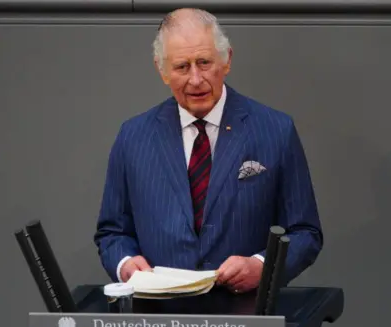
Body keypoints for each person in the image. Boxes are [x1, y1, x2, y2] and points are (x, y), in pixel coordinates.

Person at [94, 8, 323, 294]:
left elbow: (305, 233)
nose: (195, 79)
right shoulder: (133, 137)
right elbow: (112, 233)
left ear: (227, 60)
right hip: (159, 317)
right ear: (161, 70)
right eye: (181, 67)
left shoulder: (275, 130)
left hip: (246, 318)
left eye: (204, 62)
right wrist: (125, 263)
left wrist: (264, 266)